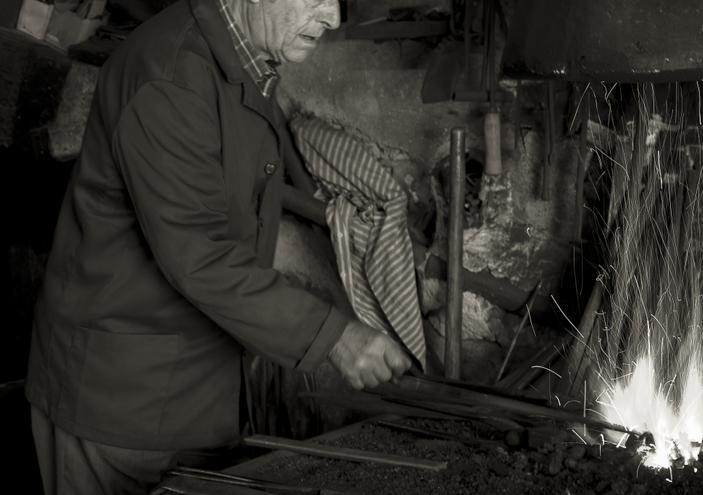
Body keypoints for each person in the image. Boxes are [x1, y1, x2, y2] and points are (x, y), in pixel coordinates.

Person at [24, 0, 413, 493]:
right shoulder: (170, 77)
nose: (332, 18)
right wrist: (333, 336)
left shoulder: (242, 57)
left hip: (193, 395)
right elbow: (199, 253)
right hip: (118, 403)